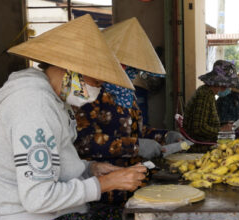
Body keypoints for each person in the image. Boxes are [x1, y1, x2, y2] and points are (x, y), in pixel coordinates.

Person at [0, 15, 147, 220]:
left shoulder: (51, 100)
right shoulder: (33, 107)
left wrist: (91, 169)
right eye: (96, 80)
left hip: (54, 218)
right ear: (70, 69)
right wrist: (104, 184)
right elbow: (37, 198)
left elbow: (52, 166)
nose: (98, 88)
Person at [73, 17, 184, 206]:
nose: (129, 72)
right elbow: (81, 143)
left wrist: (165, 136)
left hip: (134, 183)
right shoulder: (86, 94)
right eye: (126, 67)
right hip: (104, 190)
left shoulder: (127, 93)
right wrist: (134, 146)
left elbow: (136, 132)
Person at [183, 60, 239, 151]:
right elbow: (198, 128)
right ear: (221, 83)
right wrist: (221, 130)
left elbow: (205, 122)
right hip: (200, 146)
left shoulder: (209, 93)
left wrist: (224, 125)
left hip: (207, 140)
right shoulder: (205, 95)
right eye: (228, 85)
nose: (229, 88)